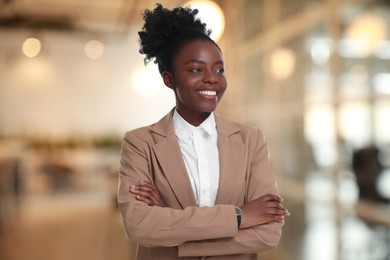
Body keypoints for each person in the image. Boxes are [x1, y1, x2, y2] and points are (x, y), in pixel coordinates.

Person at [117, 4, 290, 260]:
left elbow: (268, 233)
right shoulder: (139, 143)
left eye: (219, 69)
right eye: (196, 69)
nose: (212, 78)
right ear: (169, 79)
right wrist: (239, 215)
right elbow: (140, 225)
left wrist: (172, 229)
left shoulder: (251, 140)